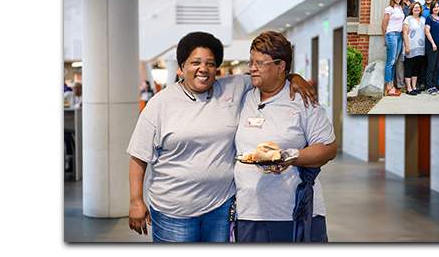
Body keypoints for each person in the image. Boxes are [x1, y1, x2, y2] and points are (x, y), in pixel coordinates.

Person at [126, 32, 316, 242]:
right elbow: (138, 156)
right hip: (174, 211)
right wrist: (136, 201)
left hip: (220, 208)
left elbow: (266, 73)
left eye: (210, 63)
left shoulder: (232, 87)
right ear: (182, 65)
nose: (203, 69)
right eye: (195, 62)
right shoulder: (160, 104)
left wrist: (293, 78)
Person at [234, 31, 336, 242]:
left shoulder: (302, 99)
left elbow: (328, 148)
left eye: (260, 63)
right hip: (248, 213)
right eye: (251, 62)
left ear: (280, 66)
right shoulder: (244, 96)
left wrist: (290, 156)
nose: (253, 68)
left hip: (293, 215)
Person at [381, 0, 405, 96]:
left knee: (394, 60)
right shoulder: (389, 9)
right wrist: (384, 38)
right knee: (390, 61)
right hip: (391, 35)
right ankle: (388, 86)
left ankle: (392, 84)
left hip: (399, 35)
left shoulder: (400, 8)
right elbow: (383, 24)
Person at [402, 1, 426, 95]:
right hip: (411, 47)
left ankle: (414, 86)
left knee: (416, 68)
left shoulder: (423, 19)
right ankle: (409, 88)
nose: (417, 9)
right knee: (409, 67)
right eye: (415, 7)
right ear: (412, 9)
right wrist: (407, 46)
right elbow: (405, 33)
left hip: (420, 48)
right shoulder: (408, 19)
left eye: (418, 8)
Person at [424, 0, 439, 95]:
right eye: (434, 7)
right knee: (431, 66)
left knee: (437, 66)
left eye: (438, 7)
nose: (436, 8)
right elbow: (427, 31)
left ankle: (434, 85)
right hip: (432, 46)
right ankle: (429, 86)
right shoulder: (429, 18)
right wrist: (433, 43)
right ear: (431, 8)